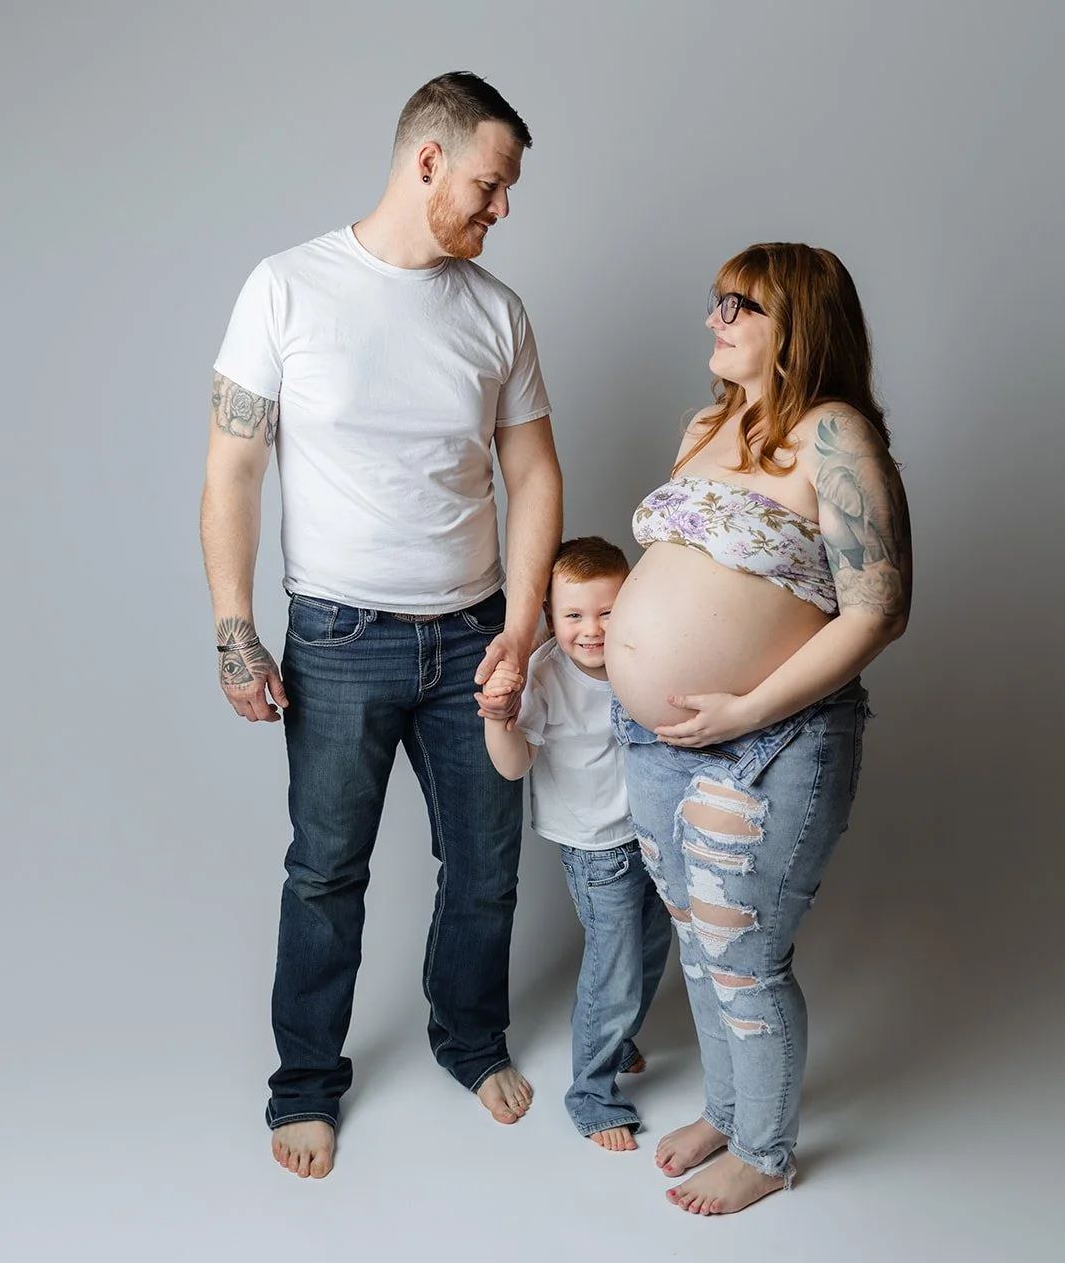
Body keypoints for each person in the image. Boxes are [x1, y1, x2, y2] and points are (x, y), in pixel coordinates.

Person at [200, 71, 563, 1180]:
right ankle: (304, 1083)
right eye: (490, 185)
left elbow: (533, 472)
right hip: (341, 636)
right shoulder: (287, 288)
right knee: (324, 869)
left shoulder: (495, 311)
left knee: (487, 863)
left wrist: (526, 622)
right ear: (426, 163)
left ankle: (468, 1037)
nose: (501, 209)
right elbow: (235, 462)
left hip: (474, 632)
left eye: (505, 193)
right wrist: (235, 624)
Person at [605, 242, 911, 1216]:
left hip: (771, 740)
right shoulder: (706, 423)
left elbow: (877, 609)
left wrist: (742, 707)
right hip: (657, 736)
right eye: (716, 302)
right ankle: (728, 1109)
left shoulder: (833, 436)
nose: (714, 320)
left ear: (798, 327)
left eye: (740, 306)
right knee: (697, 942)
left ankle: (766, 1151)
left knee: (743, 951)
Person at [482, 537, 672, 1151]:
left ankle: (617, 1038)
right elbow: (513, 768)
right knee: (613, 970)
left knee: (650, 950)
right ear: (547, 618)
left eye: (608, 611)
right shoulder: (544, 675)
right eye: (573, 615)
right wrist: (497, 719)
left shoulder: (641, 660)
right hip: (597, 850)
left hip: (651, 836)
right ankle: (591, 1095)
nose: (592, 630)